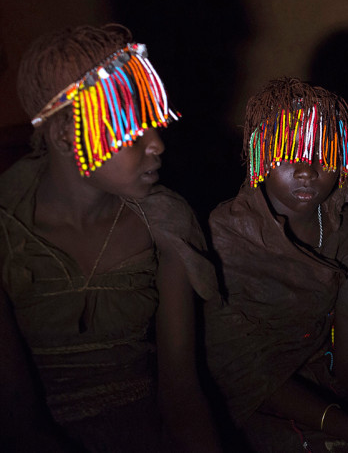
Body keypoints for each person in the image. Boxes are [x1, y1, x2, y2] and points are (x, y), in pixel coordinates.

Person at [0, 24, 222, 452]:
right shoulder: (9, 234)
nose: (157, 143)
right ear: (67, 136)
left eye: (153, 123)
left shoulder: (166, 222)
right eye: (133, 129)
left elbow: (180, 393)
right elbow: (16, 418)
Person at [204, 77, 348, 453]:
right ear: (258, 152)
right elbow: (243, 373)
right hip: (244, 403)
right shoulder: (225, 238)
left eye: (323, 153)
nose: (307, 170)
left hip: (327, 387)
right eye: (288, 151)